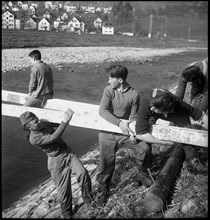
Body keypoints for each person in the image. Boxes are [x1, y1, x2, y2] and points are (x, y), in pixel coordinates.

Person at [20, 109, 93, 219]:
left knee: (83, 173)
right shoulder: (34, 139)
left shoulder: (42, 124)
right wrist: (65, 121)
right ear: (28, 126)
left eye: (37, 119)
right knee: (63, 189)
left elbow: (57, 122)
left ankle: (89, 201)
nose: (38, 122)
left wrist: (66, 115)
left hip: (67, 152)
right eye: (35, 122)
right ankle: (67, 213)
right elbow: (54, 137)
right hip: (56, 161)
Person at [96, 64, 153, 205]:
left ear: (120, 80)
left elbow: (134, 117)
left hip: (125, 132)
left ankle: (143, 172)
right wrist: (119, 123)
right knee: (106, 162)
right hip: (108, 131)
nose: (108, 81)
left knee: (144, 148)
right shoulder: (109, 90)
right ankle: (104, 188)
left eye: (111, 78)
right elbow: (102, 111)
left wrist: (133, 132)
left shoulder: (134, 94)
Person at [134, 88, 208, 175]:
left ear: (167, 112)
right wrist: (164, 142)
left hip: (169, 109)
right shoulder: (146, 102)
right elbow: (140, 134)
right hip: (149, 113)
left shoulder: (178, 104)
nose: (152, 108)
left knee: (185, 128)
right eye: (152, 107)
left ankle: (192, 162)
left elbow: (201, 116)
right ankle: (144, 168)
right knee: (144, 141)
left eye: (155, 108)